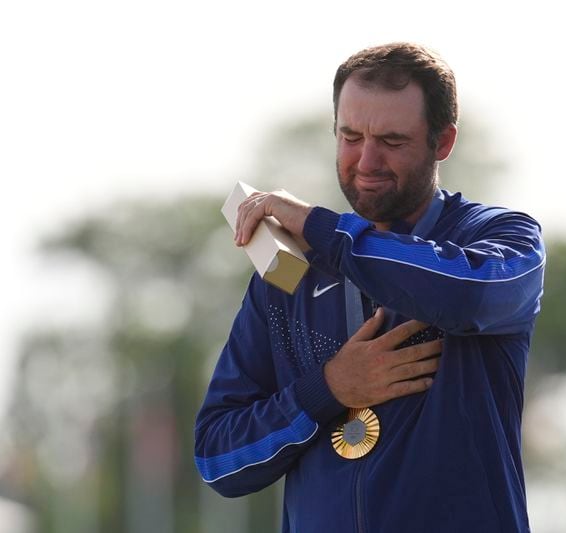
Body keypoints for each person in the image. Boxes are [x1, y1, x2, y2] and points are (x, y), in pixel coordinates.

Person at [194, 42, 546, 532]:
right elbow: (217, 459)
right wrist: (328, 389)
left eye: (392, 141)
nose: (366, 161)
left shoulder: (498, 239)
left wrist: (325, 231)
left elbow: (470, 295)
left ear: (442, 142)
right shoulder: (288, 276)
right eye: (351, 136)